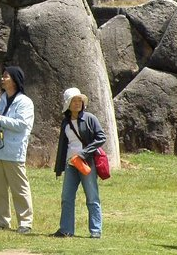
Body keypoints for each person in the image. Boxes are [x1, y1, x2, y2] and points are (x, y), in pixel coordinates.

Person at [0, 66, 34, 234]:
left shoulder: (25, 102)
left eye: (6, 76)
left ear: (14, 80)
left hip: (14, 151)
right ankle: (2, 222)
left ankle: (25, 223)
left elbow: (22, 125)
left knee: (19, 189)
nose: (2, 79)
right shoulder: (3, 98)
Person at [51, 88, 106, 239]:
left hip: (86, 163)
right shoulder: (65, 122)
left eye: (79, 101)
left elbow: (101, 137)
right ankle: (66, 230)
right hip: (71, 164)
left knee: (92, 197)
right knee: (67, 197)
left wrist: (83, 153)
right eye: (74, 101)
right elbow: (63, 146)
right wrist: (59, 167)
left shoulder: (90, 118)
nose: (77, 104)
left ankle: (96, 231)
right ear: (68, 104)